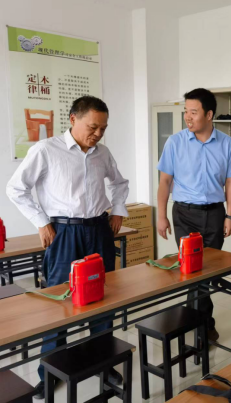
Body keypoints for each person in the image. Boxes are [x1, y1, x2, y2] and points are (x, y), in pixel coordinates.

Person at [6, 96, 129, 399]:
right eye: (93, 127)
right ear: (73, 119)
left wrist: (117, 210)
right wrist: (41, 221)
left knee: (102, 299)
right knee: (57, 304)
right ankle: (49, 372)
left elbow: (119, 183)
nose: (98, 134)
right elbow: (16, 188)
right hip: (63, 233)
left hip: (98, 230)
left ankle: (103, 362)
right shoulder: (46, 150)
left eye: (103, 128)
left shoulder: (103, 153)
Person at [157, 88, 231, 341]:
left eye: (193, 112)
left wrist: (230, 216)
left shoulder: (226, 143)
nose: (187, 117)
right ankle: (202, 327)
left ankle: (198, 323)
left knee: (207, 273)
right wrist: (161, 215)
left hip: (215, 215)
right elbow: (164, 182)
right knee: (192, 271)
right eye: (186, 111)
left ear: (209, 114)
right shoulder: (175, 142)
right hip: (184, 214)